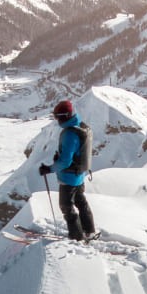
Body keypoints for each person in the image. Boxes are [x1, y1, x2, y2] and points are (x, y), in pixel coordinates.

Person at [38, 99, 97, 241]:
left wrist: (49, 169)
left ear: (64, 116)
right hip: (80, 175)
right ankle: (89, 231)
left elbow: (65, 161)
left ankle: (76, 236)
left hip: (68, 178)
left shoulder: (69, 134)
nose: (56, 120)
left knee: (66, 206)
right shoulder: (81, 127)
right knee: (81, 203)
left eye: (57, 117)